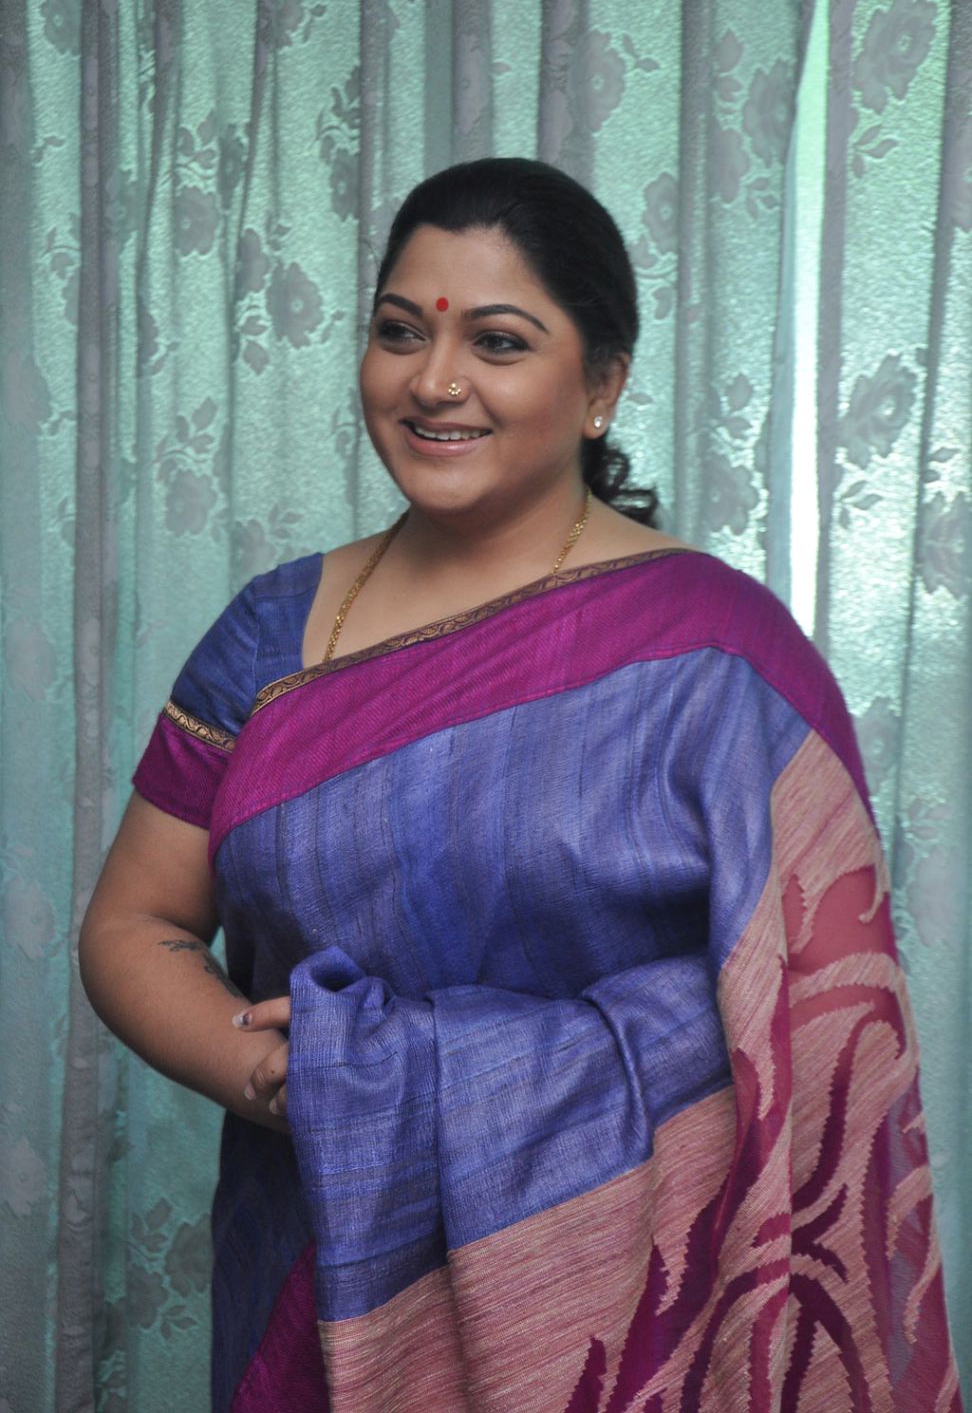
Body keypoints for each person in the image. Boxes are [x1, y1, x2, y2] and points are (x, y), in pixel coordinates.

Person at [80, 158, 960, 1412]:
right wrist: (300, 1083)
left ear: (601, 386)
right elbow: (135, 922)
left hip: (651, 1304)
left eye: (498, 342)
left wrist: (458, 1083)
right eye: (400, 333)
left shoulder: (721, 656)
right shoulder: (270, 639)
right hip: (317, 1266)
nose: (434, 382)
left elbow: (821, 1029)